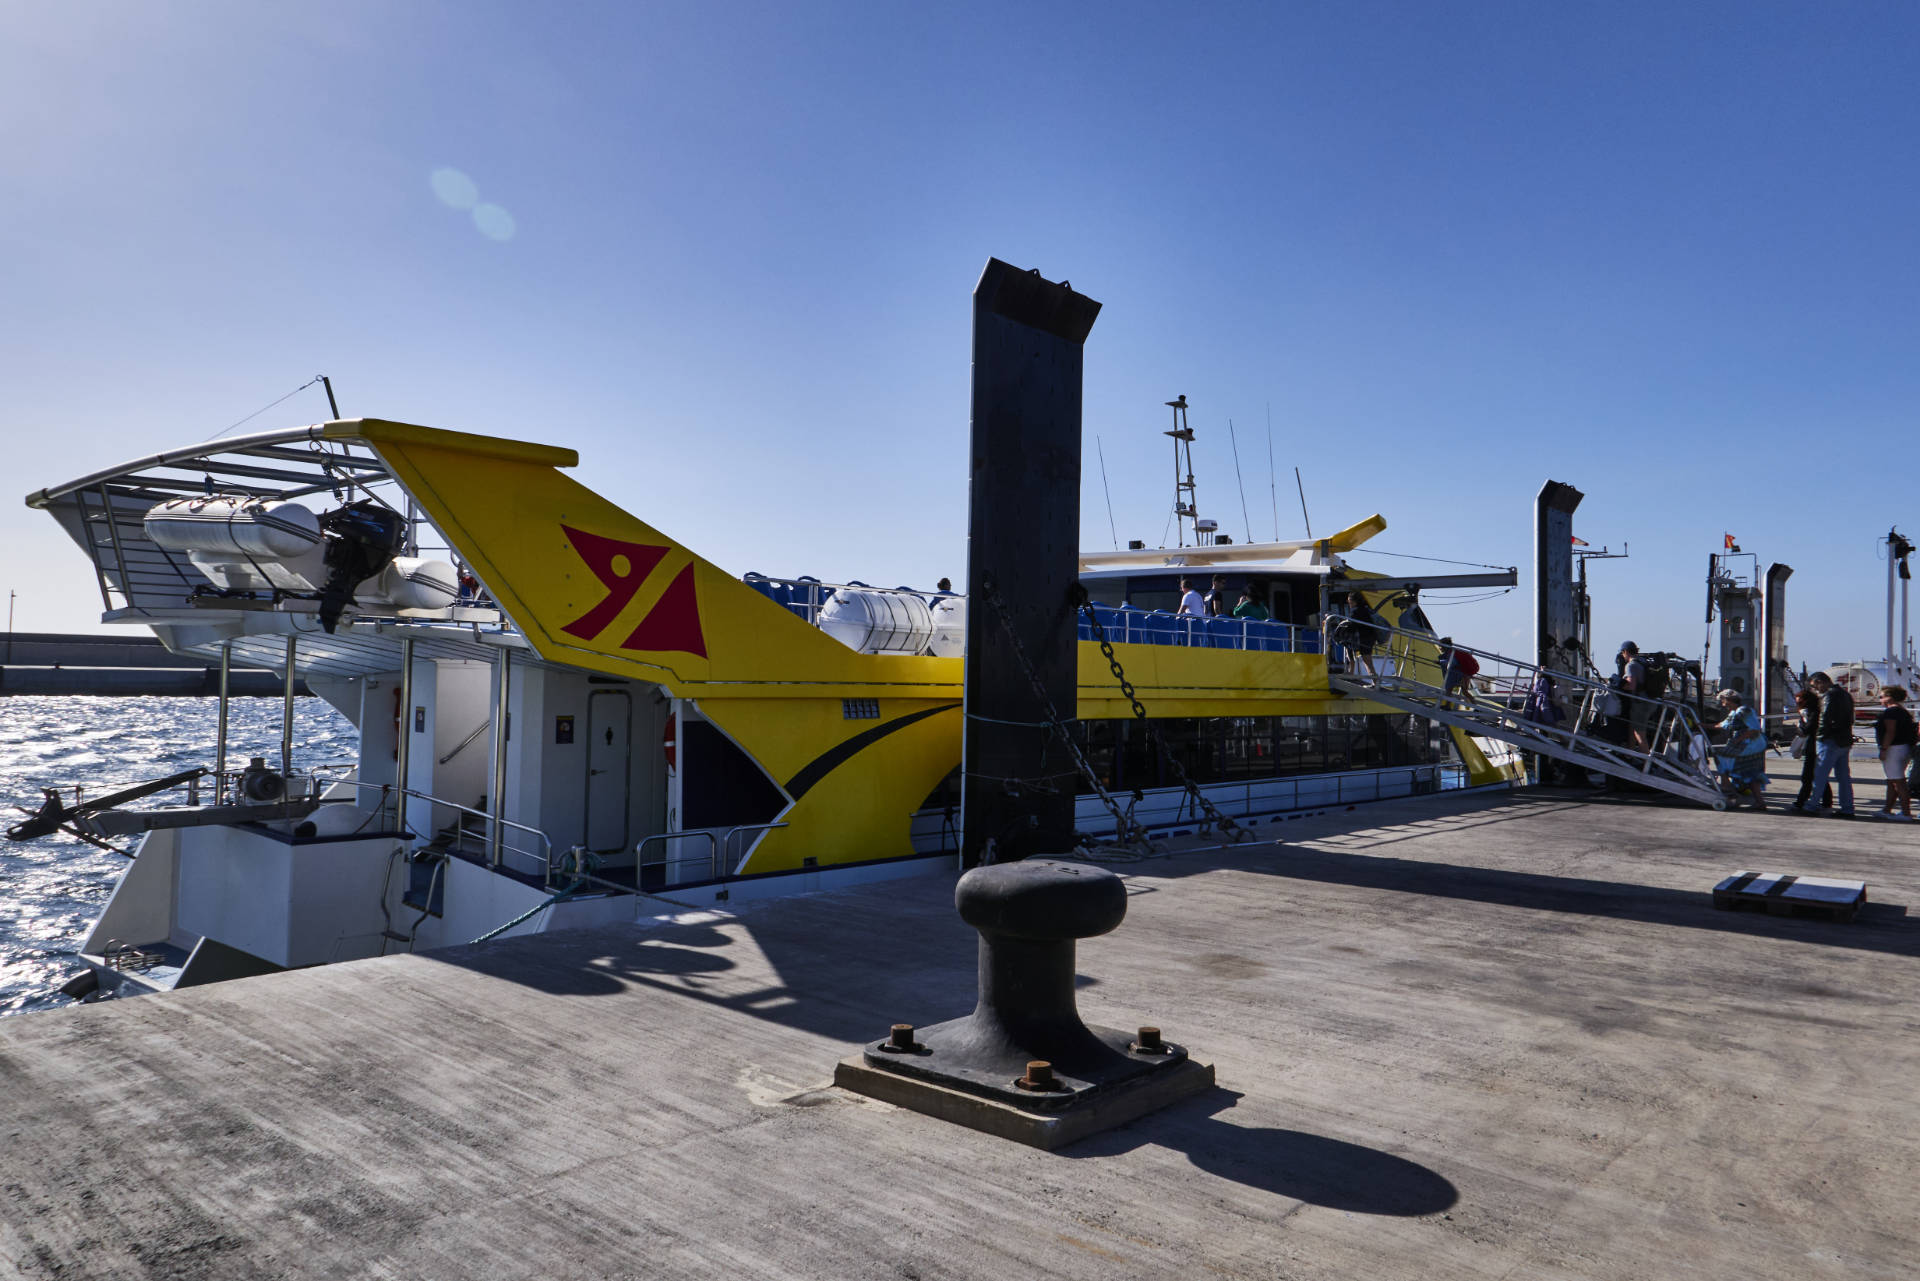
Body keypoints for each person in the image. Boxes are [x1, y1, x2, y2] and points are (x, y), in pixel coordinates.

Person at [1794, 671, 1856, 817]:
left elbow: (1825, 718)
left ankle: (1812, 805)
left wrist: (1820, 736)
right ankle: (1847, 808)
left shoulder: (1829, 696)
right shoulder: (1846, 695)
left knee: (1820, 775)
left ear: (1820, 682)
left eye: (1815, 686)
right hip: (1844, 740)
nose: (1816, 690)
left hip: (1829, 741)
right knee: (1844, 778)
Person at [1714, 689, 1768, 810]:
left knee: (1722, 758)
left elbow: (1754, 729)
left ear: (1729, 700)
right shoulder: (1734, 713)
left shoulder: (1743, 711)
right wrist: (1703, 725)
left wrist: (1737, 740)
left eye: (1723, 701)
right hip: (1746, 745)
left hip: (1752, 746)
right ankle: (1758, 801)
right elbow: (1722, 725)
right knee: (1750, 774)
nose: (1722, 704)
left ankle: (1727, 786)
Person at [1874, 685, 1916, 820]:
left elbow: (1890, 731)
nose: (1880, 699)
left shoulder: (1891, 712)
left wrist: (1884, 749)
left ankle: (1906, 812)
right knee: (1892, 780)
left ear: (1889, 698)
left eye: (1881, 697)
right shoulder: (1903, 711)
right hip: (1904, 748)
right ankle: (1887, 809)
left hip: (1894, 749)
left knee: (1898, 781)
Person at [1790, 688, 1832, 812]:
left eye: (1799, 703)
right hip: (1815, 745)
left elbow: (1807, 729)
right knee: (1818, 775)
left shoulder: (1812, 713)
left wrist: (1801, 726)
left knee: (1807, 776)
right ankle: (1826, 801)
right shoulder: (1814, 712)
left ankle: (1801, 801)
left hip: (1814, 746)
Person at [1618, 642, 1652, 750]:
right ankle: (1630, 754)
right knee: (1632, 727)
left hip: (1640, 703)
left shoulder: (1631, 665)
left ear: (1626, 652)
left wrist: (1618, 686)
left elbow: (1631, 685)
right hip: (1649, 700)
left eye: (1622, 653)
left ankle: (1647, 762)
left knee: (1639, 733)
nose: (1622, 655)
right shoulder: (1643, 662)